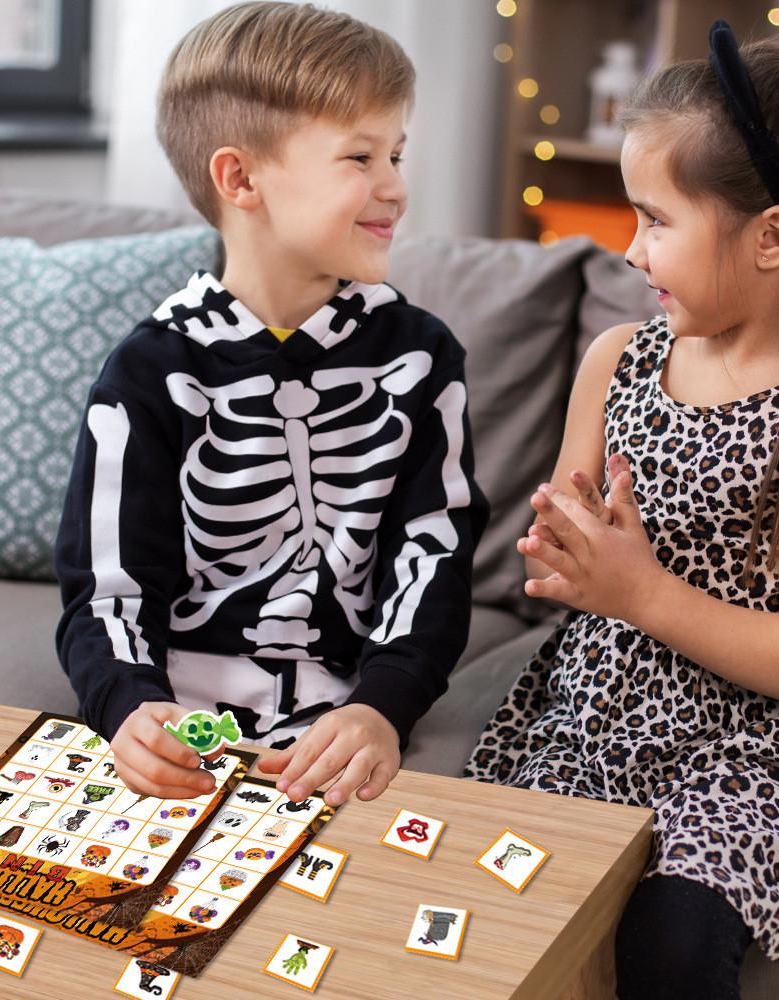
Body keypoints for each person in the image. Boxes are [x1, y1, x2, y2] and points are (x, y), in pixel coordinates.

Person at [465, 22, 779, 1000]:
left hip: (747, 752)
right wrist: (563, 554)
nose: (629, 250)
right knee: (489, 921)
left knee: (669, 949)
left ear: (773, 237)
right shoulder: (615, 360)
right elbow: (568, 557)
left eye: (656, 220)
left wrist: (640, 590)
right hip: (595, 717)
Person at [55, 2, 488, 811]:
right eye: (359, 156)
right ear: (240, 178)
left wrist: (382, 705)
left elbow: (435, 560)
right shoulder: (148, 371)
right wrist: (124, 707)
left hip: (350, 729)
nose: (396, 185)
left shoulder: (422, 357)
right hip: (182, 727)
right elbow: (106, 587)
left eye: (396, 152)